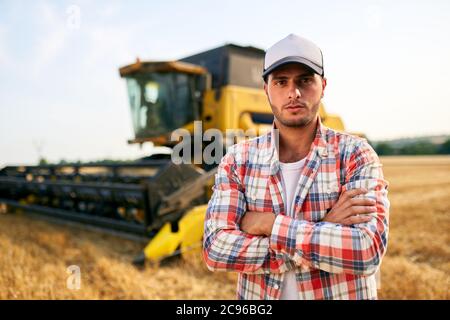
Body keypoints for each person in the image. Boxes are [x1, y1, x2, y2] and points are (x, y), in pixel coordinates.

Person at [203, 34, 390, 300]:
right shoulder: (238, 160)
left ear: (323, 86)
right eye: (281, 82)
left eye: (305, 80)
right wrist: (323, 226)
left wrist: (269, 224)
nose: (294, 93)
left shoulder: (356, 155)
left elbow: (365, 251)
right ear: (266, 89)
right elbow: (216, 250)